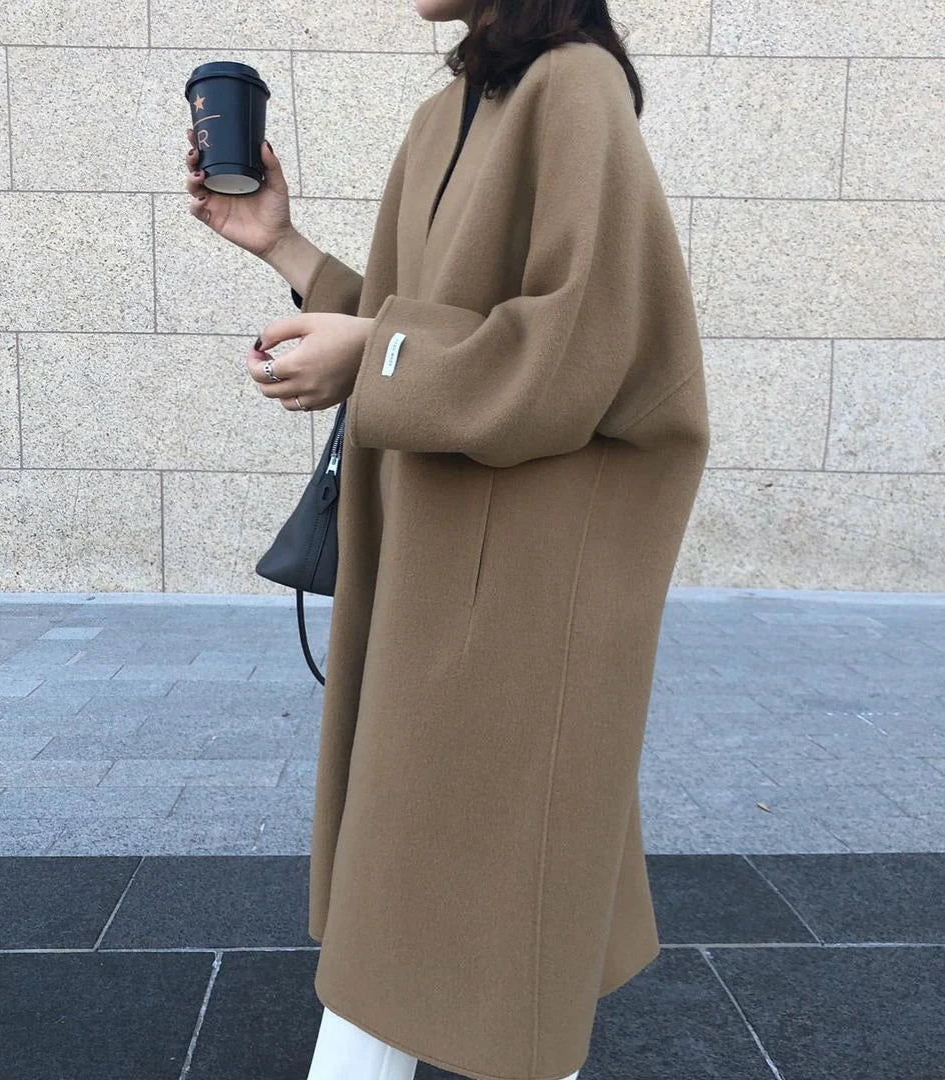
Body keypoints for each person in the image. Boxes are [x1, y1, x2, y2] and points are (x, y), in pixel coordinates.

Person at [184, 1, 709, 1077]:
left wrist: (371, 356)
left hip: (522, 587)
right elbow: (408, 318)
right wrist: (281, 242)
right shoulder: (447, 113)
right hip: (435, 568)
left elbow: (580, 348)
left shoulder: (576, 87)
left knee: (491, 924)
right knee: (435, 901)